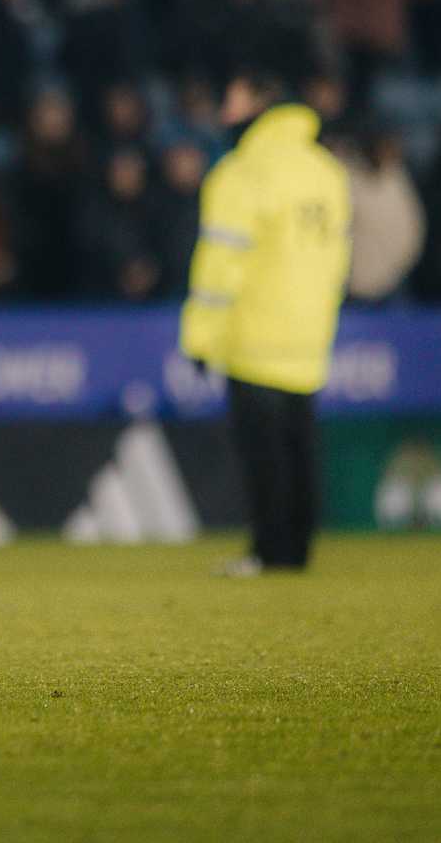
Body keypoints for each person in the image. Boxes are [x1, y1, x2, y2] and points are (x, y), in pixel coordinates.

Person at [180, 68, 350, 576]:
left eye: (231, 101)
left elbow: (220, 264)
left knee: (264, 452)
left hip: (254, 331)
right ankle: (295, 550)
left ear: (257, 105)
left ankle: (269, 552)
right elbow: (338, 257)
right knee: (300, 445)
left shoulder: (242, 171)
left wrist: (200, 336)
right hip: (311, 330)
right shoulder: (325, 168)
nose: (223, 113)